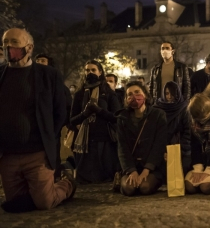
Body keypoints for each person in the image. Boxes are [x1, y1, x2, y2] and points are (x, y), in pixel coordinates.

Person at [0, 28, 75, 212]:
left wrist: (48, 136)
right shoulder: (0, 75)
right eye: (5, 42)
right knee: (16, 203)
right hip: (8, 155)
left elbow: (60, 111)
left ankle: (67, 185)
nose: (9, 46)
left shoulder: (48, 75)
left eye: (14, 42)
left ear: (29, 47)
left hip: (37, 153)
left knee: (44, 202)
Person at [70, 60, 121, 184]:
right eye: (87, 70)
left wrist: (99, 110)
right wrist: (85, 114)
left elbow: (117, 117)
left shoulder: (108, 93)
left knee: (104, 178)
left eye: (93, 70)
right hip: (84, 143)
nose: (90, 73)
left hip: (104, 142)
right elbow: (72, 120)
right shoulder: (79, 94)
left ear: (100, 72)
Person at [116, 81, 168, 196]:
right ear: (126, 98)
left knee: (145, 187)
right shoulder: (122, 118)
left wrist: (147, 170)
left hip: (152, 167)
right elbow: (122, 147)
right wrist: (131, 170)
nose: (134, 96)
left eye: (137, 92)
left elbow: (159, 145)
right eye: (129, 94)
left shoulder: (158, 115)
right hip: (131, 166)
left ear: (144, 94)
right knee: (129, 189)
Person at [154, 81, 192, 172]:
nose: (169, 96)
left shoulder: (183, 108)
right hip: (161, 147)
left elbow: (188, 132)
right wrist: (163, 150)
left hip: (179, 147)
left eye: (172, 93)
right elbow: (155, 133)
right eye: (167, 93)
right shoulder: (157, 108)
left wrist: (179, 150)